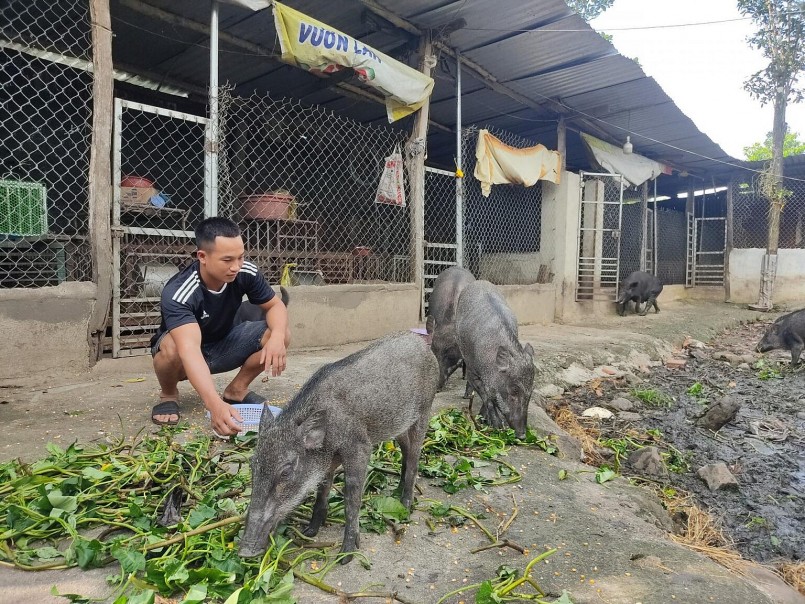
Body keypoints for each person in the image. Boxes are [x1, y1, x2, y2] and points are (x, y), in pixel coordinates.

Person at [150, 217, 290, 436]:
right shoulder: (179, 292)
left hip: (225, 342)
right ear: (202, 257)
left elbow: (275, 306)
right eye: (227, 260)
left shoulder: (246, 272)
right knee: (171, 348)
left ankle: (236, 390)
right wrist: (214, 405)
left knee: (279, 333)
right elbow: (189, 350)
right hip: (186, 357)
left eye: (241, 257)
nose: (236, 266)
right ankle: (168, 394)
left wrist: (278, 336)